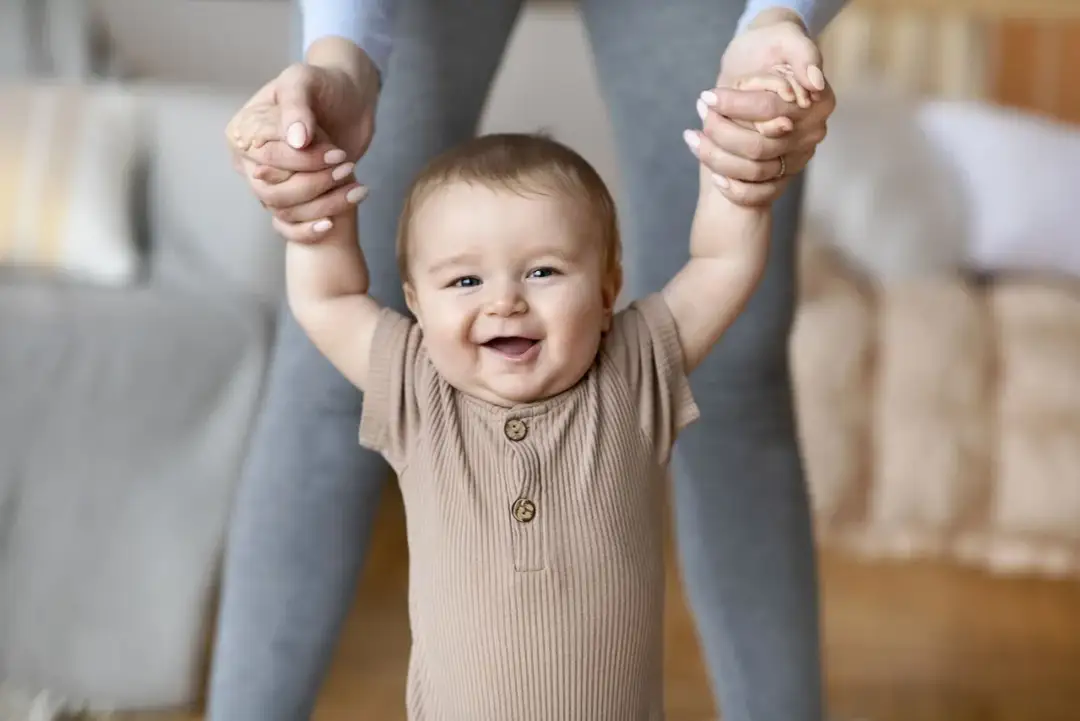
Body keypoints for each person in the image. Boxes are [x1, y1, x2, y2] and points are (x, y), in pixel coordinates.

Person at [211, 2, 846, 720]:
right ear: (414, 302)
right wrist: (312, 190)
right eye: (464, 281)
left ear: (610, 286)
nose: (505, 301)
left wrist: (750, 141)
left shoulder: (637, 369)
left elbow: (721, 259)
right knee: (319, 391)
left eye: (543, 272)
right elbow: (327, 298)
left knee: (740, 380)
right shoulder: (417, 382)